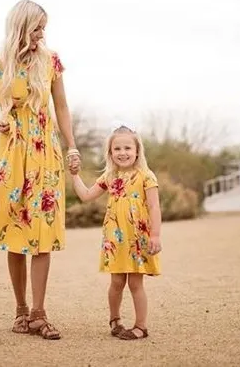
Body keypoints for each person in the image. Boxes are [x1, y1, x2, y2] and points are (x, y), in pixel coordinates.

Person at [0, 0, 80, 340]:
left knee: (42, 236)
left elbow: (62, 106)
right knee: (16, 235)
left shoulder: (51, 62)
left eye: (45, 28)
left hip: (46, 158)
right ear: (20, 27)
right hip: (12, 158)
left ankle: (40, 315)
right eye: (37, 27)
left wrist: (71, 145)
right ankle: (21, 313)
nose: (42, 34)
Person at [70, 124, 162, 340]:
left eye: (127, 148)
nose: (123, 153)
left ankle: (141, 326)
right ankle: (115, 320)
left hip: (138, 238)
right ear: (110, 153)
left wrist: (155, 235)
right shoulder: (109, 177)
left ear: (137, 150)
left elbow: (154, 207)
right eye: (117, 149)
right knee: (117, 282)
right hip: (115, 238)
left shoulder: (146, 176)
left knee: (136, 283)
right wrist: (74, 175)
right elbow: (85, 195)